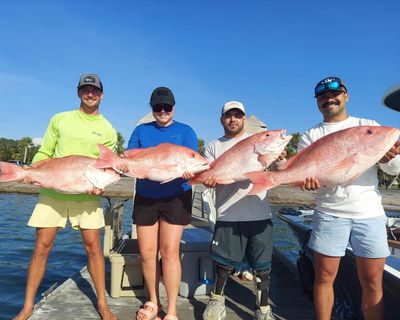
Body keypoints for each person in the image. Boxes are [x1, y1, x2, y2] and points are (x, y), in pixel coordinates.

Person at [14, 73, 118, 320]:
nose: (90, 94)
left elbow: (109, 167)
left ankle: (102, 304)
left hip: (87, 195)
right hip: (53, 191)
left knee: (93, 248)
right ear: (79, 93)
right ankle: (27, 306)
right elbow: (44, 153)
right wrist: (31, 172)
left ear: (102, 95)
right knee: (42, 247)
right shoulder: (59, 119)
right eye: (85, 90)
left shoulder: (108, 129)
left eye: (94, 90)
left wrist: (101, 187)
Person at [299, 76, 400, 320]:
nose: (328, 99)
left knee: (373, 280)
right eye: (322, 97)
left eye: (334, 94)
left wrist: (390, 158)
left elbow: (393, 169)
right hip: (329, 212)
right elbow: (306, 177)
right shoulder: (311, 135)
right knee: (324, 277)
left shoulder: (368, 125)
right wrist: (308, 183)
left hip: (370, 214)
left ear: (346, 95)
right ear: (317, 103)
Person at [202, 101, 278, 320]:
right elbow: (208, 174)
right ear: (221, 119)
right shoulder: (214, 146)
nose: (232, 119)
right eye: (228, 115)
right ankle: (216, 300)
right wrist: (207, 180)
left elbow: (275, 169)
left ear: (244, 119)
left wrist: (277, 159)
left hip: (260, 213)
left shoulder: (260, 142)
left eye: (237, 115)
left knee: (262, 268)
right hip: (228, 214)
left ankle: (263, 308)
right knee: (223, 264)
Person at [127, 87, 198, 320]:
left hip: (177, 196)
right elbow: (129, 159)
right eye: (158, 107)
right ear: (152, 109)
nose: (162, 111)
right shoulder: (141, 130)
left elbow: (194, 163)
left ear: (173, 108)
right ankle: (153, 302)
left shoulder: (186, 132)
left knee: (169, 252)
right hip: (146, 196)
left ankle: (172, 311)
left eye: (167, 107)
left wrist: (189, 172)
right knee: (147, 254)